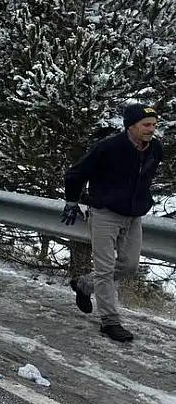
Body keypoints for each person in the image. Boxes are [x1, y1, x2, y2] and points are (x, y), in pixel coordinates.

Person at [61, 103, 163, 343]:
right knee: (105, 269)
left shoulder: (155, 149)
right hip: (105, 213)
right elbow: (76, 173)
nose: (151, 130)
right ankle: (110, 322)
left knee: (128, 266)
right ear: (131, 126)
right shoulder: (108, 148)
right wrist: (73, 201)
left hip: (133, 216)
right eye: (146, 125)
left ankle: (84, 284)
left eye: (154, 125)